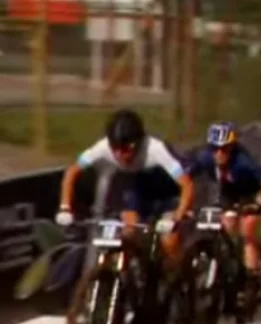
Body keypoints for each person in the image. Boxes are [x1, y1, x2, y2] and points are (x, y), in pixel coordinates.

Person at [55, 108, 194, 270]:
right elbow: (72, 172)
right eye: (115, 149)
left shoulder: (156, 149)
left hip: (167, 190)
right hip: (138, 188)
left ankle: (178, 271)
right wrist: (65, 207)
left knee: (169, 240)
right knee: (128, 230)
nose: (119, 155)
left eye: (126, 150)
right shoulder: (102, 147)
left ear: (139, 143)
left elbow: (187, 185)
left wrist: (178, 216)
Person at [189, 122, 261, 281]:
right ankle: (228, 264)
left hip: (251, 194)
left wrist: (260, 204)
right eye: (214, 149)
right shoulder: (205, 158)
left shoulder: (243, 162)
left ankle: (252, 276)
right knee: (225, 226)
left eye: (224, 149)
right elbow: (185, 178)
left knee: (247, 228)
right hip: (229, 194)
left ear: (232, 147)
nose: (219, 153)